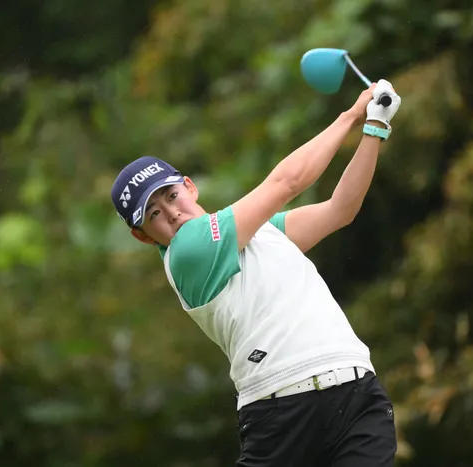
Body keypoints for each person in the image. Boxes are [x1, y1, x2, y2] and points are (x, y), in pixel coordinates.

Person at [111, 80, 402, 467]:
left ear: (189, 187)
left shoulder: (262, 232)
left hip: (356, 393)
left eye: (171, 196)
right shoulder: (187, 251)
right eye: (154, 215)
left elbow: (340, 210)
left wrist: (375, 126)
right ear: (143, 236)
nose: (172, 213)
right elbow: (287, 183)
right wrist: (351, 115)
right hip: (282, 411)